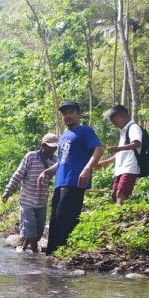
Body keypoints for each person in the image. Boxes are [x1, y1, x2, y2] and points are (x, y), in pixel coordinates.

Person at [38, 101, 103, 256]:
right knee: (54, 220)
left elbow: (99, 149)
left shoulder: (85, 131)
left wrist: (87, 169)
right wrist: (46, 172)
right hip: (60, 183)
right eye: (65, 113)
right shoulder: (63, 137)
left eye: (71, 112)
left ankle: (64, 254)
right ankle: (52, 256)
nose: (68, 116)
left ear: (78, 114)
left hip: (74, 182)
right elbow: (61, 162)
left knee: (65, 219)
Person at [2, 133, 58, 253]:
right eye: (50, 147)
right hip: (27, 199)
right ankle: (34, 256)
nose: (53, 150)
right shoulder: (31, 156)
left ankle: (23, 248)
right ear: (43, 146)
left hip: (42, 201)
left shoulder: (54, 160)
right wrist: (8, 190)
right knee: (30, 230)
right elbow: (18, 174)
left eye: (55, 148)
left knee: (37, 234)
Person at [96, 105, 142, 205]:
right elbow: (121, 154)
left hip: (130, 167)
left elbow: (137, 143)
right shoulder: (123, 131)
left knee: (121, 192)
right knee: (114, 193)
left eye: (115, 122)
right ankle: (118, 212)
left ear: (124, 116)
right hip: (121, 168)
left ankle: (118, 213)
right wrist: (104, 163)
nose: (114, 125)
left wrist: (118, 148)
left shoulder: (133, 127)